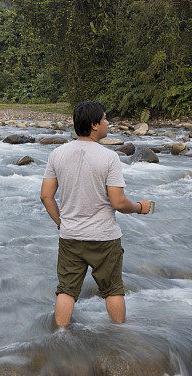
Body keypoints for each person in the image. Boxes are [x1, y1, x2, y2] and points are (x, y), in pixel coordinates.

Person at [40, 101, 152, 328]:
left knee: (67, 291)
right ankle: (119, 337)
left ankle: (60, 338)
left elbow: (46, 196)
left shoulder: (57, 154)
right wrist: (140, 207)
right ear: (94, 125)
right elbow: (118, 202)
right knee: (113, 290)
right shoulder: (109, 157)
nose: (108, 123)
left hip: (70, 236)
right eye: (105, 119)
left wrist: (61, 223)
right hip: (104, 237)